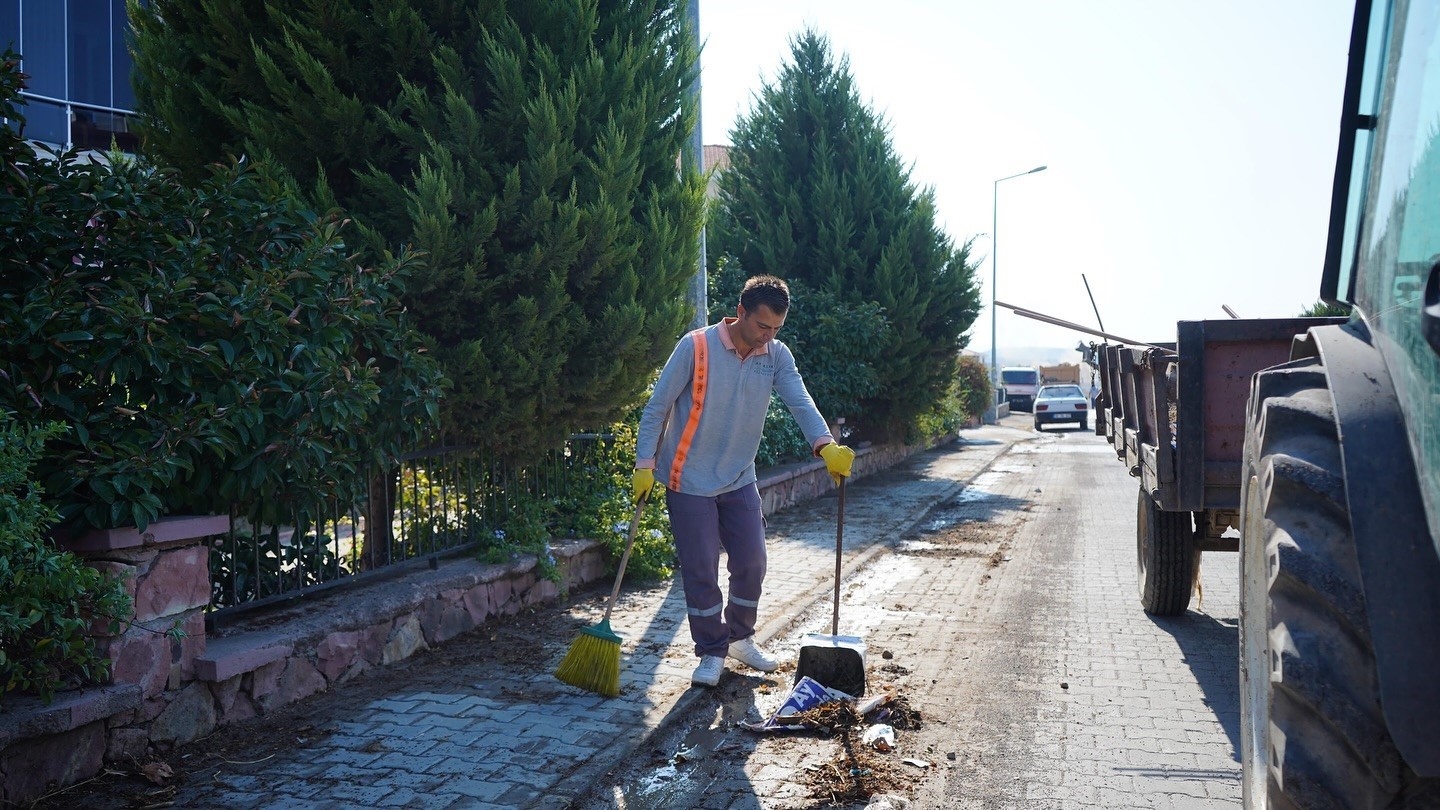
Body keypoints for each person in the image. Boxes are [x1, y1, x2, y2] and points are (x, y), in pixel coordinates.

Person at [633, 274, 855, 687]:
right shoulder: (695, 347)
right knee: (701, 570)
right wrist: (644, 463)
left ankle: (739, 637)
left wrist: (826, 445)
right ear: (740, 313)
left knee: (752, 561)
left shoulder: (776, 355)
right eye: (761, 326)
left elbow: (799, 399)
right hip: (689, 479)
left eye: (776, 329)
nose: (767, 336)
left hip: (739, 476)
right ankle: (711, 651)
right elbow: (657, 407)